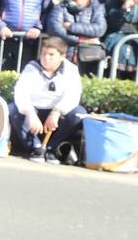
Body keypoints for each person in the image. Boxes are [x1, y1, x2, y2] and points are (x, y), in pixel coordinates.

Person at [9, 36, 86, 164]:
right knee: (13, 109)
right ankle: (36, 147)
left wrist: (56, 112)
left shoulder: (71, 70)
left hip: (56, 113)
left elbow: (73, 95)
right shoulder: (32, 67)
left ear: (62, 56)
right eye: (44, 54)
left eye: (51, 55)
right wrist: (30, 114)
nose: (46, 58)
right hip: (35, 111)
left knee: (78, 113)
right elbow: (21, 93)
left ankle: (52, 148)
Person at [46, 0, 106, 73]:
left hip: (88, 54)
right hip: (65, 50)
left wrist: (72, 27)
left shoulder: (96, 8)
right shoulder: (61, 7)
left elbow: (99, 29)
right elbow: (55, 29)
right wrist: (80, 40)